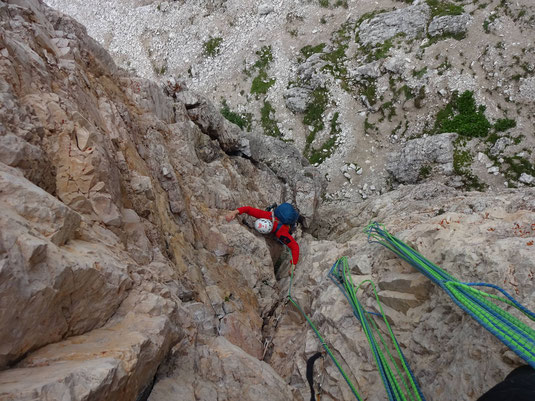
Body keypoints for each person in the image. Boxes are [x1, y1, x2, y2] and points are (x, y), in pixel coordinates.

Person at [225, 205, 300, 266]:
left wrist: (235, 212)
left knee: (286, 233)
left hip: (287, 218)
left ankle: (295, 218)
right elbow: (249, 209)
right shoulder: (268, 216)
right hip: (283, 212)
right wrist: (293, 264)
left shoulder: (281, 232)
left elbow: (294, 246)